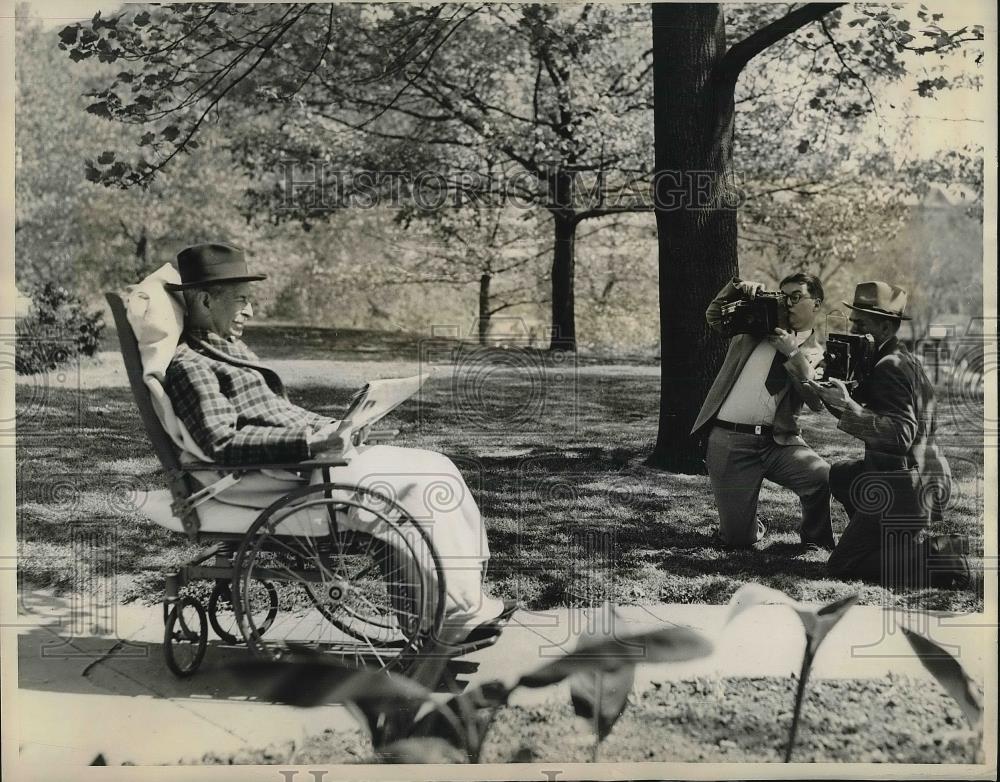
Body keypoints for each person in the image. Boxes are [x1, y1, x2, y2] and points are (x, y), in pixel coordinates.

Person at [161, 242, 516, 642]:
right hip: (281, 478)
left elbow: (277, 414)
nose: (251, 311)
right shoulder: (191, 366)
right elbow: (221, 443)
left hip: (305, 464)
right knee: (419, 490)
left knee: (437, 465)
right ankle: (448, 619)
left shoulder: (227, 351)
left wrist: (338, 426)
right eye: (242, 300)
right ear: (206, 300)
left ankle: (466, 603)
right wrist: (310, 443)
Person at [809, 281, 970, 588]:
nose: (853, 329)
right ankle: (888, 537)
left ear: (884, 326)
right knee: (841, 474)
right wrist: (832, 396)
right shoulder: (896, 356)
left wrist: (847, 405)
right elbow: (864, 415)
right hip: (920, 476)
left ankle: (942, 555)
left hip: (905, 487)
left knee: (842, 565)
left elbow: (900, 434)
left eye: (861, 324)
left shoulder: (889, 367)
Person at [691, 273, 834, 550]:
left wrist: (793, 354)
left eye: (795, 297)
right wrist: (735, 289)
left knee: (822, 477)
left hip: (776, 443)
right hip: (729, 440)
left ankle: (816, 540)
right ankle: (747, 524)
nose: (788, 303)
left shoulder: (818, 353)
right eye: (783, 296)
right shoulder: (752, 330)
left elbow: (816, 401)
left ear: (815, 304)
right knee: (738, 540)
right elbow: (714, 316)